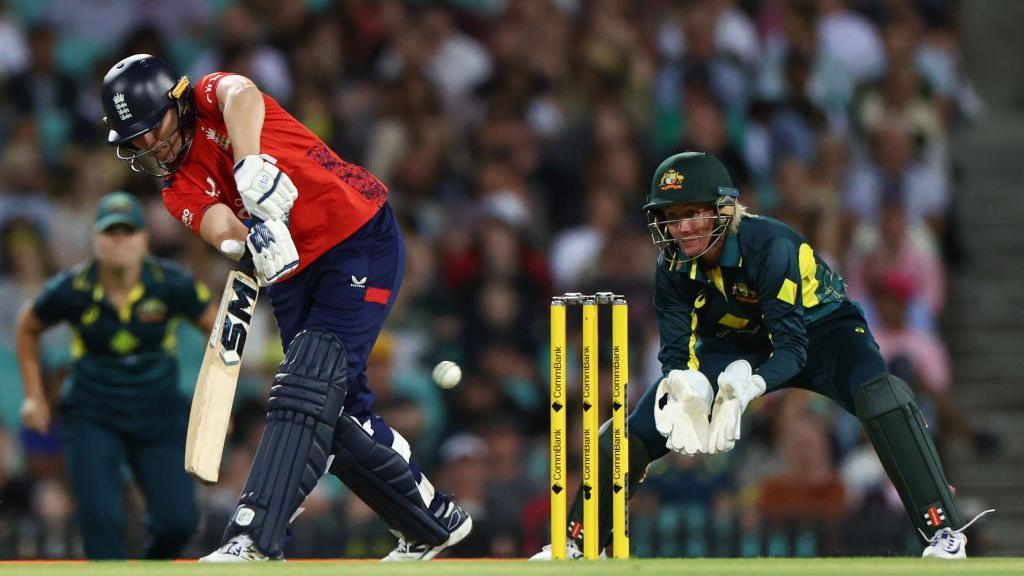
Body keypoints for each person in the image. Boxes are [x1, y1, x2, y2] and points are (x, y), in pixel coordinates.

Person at [99, 54, 472, 562]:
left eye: (151, 126)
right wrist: (250, 243)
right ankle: (431, 522)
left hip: (357, 239)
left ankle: (253, 535)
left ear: (177, 99)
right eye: (134, 139)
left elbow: (243, 94)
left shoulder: (211, 96)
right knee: (332, 417)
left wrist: (250, 163)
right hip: (292, 273)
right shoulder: (175, 187)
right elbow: (221, 231)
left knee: (303, 387)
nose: (148, 144)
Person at [531, 152, 991, 560]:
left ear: (724, 211)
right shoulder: (671, 264)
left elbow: (792, 347)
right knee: (633, 430)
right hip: (732, 344)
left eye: (694, 213)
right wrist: (682, 389)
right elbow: (675, 353)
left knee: (883, 399)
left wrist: (749, 387)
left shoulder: (770, 245)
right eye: (671, 216)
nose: (682, 228)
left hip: (822, 332)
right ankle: (576, 541)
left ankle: (943, 532)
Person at [15, 192, 216, 559]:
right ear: (96, 240)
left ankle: (148, 569)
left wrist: (216, 403)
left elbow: (219, 328)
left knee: (180, 522)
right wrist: (34, 396)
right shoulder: (73, 287)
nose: (120, 240)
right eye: (111, 233)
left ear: (144, 239)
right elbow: (27, 326)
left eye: (128, 232)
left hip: (157, 410)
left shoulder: (170, 283)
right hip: (93, 411)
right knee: (102, 518)